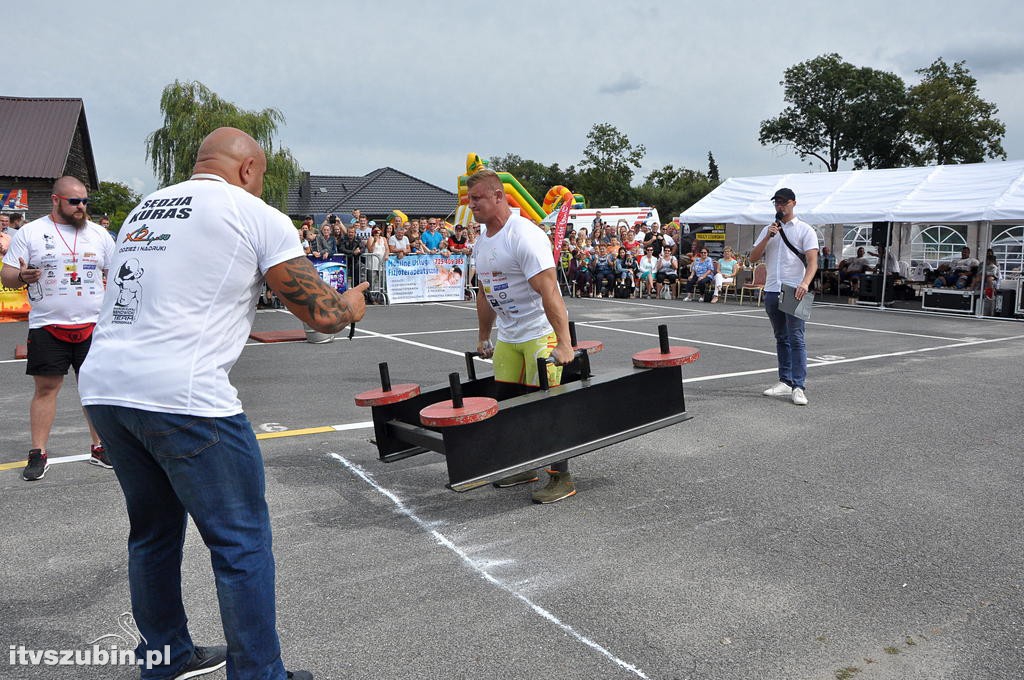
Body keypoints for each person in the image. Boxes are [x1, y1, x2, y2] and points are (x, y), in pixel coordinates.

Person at [79, 128, 366, 680]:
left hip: (108, 388)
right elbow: (323, 314)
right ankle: (259, 673)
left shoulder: (145, 209)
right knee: (240, 542)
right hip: (185, 398)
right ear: (248, 168)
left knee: (153, 534)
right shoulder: (253, 213)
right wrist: (353, 303)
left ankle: (165, 658)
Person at [467, 169, 575, 504]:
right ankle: (523, 465)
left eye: (478, 198)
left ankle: (561, 477)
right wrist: (484, 337)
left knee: (546, 406)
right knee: (508, 404)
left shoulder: (523, 235)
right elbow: (485, 294)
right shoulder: (482, 243)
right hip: (508, 335)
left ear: (499, 196)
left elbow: (550, 291)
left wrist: (565, 342)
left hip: (538, 333)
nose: (472, 206)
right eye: (470, 199)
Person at [1, 176, 116, 480]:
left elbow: (117, 273)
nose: (81, 207)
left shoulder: (99, 235)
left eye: (85, 202)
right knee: (46, 389)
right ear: (55, 200)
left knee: (93, 390)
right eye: (74, 202)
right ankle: (38, 453)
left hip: (93, 325)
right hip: (48, 325)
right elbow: (8, 276)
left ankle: (101, 446)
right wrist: (23, 277)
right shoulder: (31, 232)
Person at [748, 187, 818, 406]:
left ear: (793, 203)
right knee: (781, 337)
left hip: (793, 289)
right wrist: (768, 237)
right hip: (771, 288)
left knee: (796, 338)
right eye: (776, 203)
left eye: (783, 202)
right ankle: (785, 381)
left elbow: (813, 261)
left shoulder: (805, 230)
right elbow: (753, 257)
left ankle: (799, 386)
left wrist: (805, 283)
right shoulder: (769, 230)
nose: (780, 206)